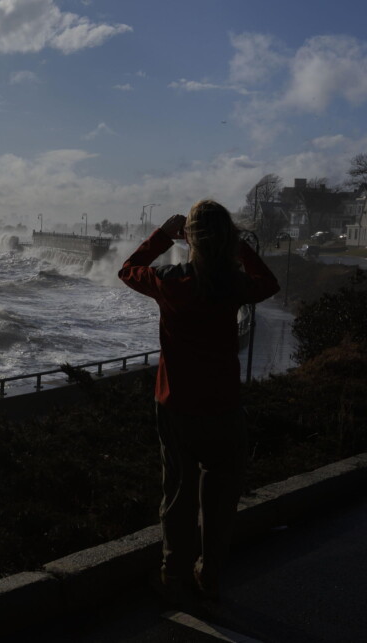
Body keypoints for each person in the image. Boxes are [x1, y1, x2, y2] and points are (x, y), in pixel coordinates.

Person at [118, 200, 279, 604]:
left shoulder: (173, 282)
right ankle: (209, 574)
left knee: (178, 495)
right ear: (227, 239)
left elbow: (127, 270)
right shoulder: (233, 284)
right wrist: (237, 247)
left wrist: (160, 236)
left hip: (176, 406)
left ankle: (173, 577)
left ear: (189, 237)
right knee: (220, 503)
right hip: (223, 407)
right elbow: (268, 282)